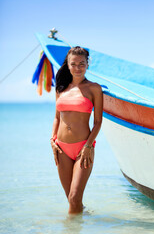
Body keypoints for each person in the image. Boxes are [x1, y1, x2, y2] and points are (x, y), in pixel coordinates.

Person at [50, 46, 103, 214]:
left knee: (74, 198)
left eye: (82, 64)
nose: (78, 68)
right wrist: (52, 140)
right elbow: (57, 117)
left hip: (83, 148)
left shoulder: (94, 88)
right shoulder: (61, 88)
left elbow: (98, 122)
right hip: (61, 149)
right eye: (74, 64)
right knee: (72, 201)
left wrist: (88, 146)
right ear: (68, 64)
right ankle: (81, 224)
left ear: (88, 64)